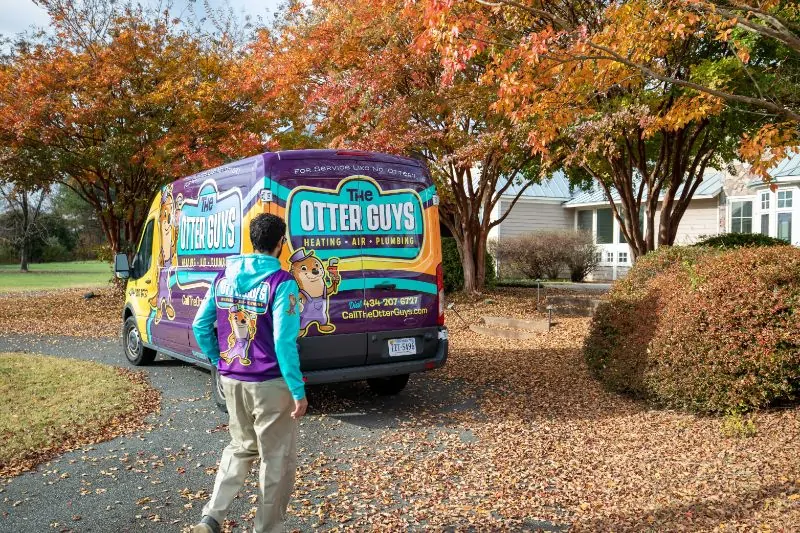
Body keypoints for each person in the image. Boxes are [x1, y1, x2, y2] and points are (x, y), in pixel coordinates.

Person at [191, 213, 307, 533]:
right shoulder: (282, 283)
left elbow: (200, 326)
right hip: (270, 383)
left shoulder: (223, 277)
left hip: (232, 378)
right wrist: (298, 390)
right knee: (275, 460)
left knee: (240, 448)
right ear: (280, 244)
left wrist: (219, 360)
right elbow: (284, 342)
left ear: (252, 241)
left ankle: (211, 517)